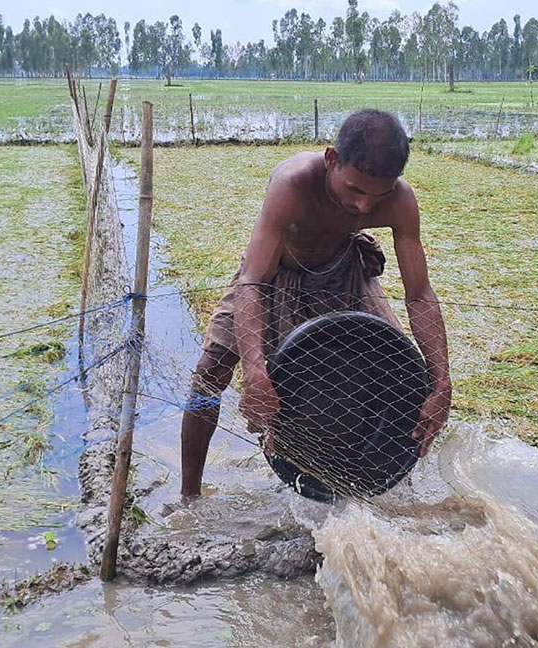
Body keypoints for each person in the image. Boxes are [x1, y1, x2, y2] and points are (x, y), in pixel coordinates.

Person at [180, 109, 452, 500]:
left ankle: (378, 485)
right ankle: (189, 495)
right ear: (331, 161)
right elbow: (253, 280)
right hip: (274, 273)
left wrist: (442, 382)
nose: (363, 208)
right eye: (355, 190)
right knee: (212, 367)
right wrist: (255, 370)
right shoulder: (293, 184)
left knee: (395, 370)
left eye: (379, 196)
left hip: (344, 269)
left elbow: (420, 294)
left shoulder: (400, 201)